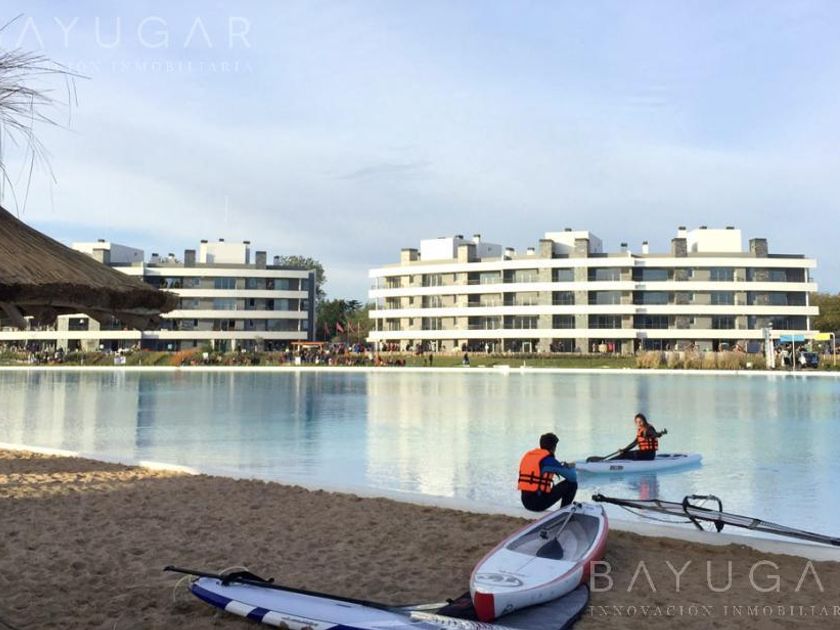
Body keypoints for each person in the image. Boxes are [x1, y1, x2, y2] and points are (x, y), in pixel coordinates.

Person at [518, 432, 578, 512]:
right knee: (572, 484)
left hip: (525, 501)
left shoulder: (529, 456)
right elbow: (573, 477)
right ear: (554, 447)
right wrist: (572, 467)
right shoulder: (549, 461)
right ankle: (563, 512)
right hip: (537, 504)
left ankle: (562, 511)